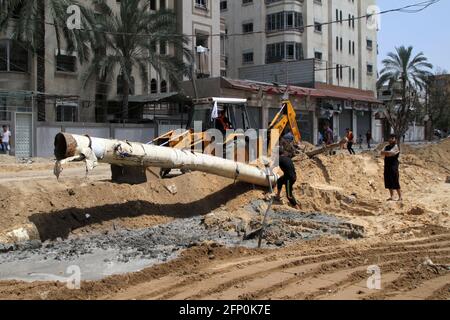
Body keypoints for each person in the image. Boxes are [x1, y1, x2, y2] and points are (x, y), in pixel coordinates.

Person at [381, 134, 402, 202]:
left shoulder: (396, 146)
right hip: (387, 165)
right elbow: (381, 152)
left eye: (392, 138)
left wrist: (386, 153)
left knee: (395, 180)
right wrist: (386, 153)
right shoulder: (386, 146)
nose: (390, 139)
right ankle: (392, 196)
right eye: (390, 138)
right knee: (388, 181)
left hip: (394, 166)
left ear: (395, 139)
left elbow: (391, 153)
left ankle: (400, 197)